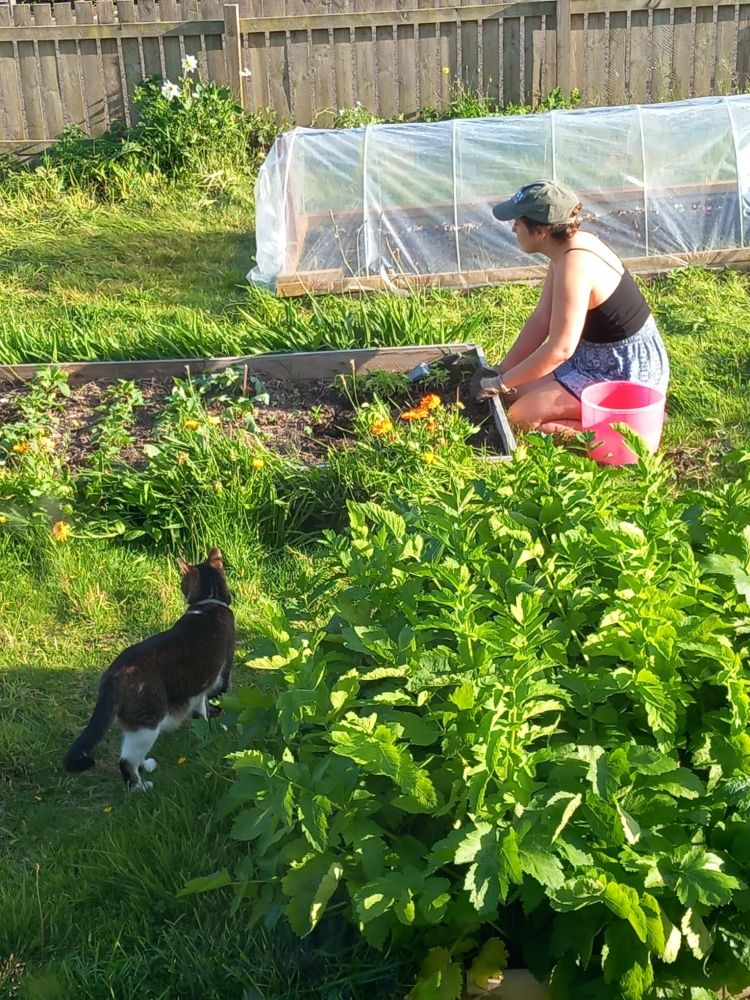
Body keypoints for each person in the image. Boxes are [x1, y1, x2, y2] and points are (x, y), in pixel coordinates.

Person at [474, 180, 669, 436]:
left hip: (622, 372)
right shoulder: (566, 249)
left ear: (541, 231)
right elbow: (542, 318)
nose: (513, 229)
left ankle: (628, 430)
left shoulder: (575, 265)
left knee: (520, 417)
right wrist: (503, 371)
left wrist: (501, 383)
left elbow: (560, 350)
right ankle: (629, 416)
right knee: (513, 393)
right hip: (596, 358)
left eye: (518, 223)